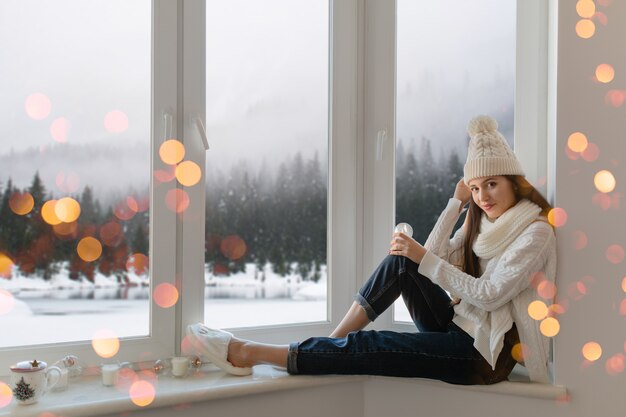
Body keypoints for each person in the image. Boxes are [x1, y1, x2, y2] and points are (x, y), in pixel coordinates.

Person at [187, 115, 557, 385]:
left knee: (374, 343)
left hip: (484, 355)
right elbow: (430, 257)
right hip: (460, 329)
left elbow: (490, 296)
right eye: (475, 188)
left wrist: (422, 256)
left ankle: (247, 352)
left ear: (514, 182)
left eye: (491, 184)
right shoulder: (483, 223)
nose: (483, 196)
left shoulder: (535, 232)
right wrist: (455, 205)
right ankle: (327, 347)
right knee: (400, 263)